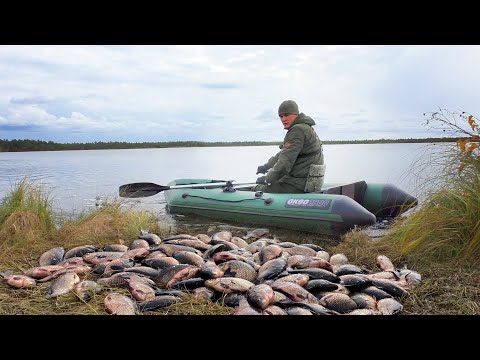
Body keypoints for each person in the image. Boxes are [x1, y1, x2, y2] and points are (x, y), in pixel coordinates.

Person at [252, 100, 325, 194]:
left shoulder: (297, 130)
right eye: (281, 116)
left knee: (256, 189)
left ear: (295, 114)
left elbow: (284, 163)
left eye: (286, 115)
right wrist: (266, 167)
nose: (283, 119)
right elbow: (284, 153)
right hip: (310, 183)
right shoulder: (306, 128)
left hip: (297, 184)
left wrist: (267, 179)